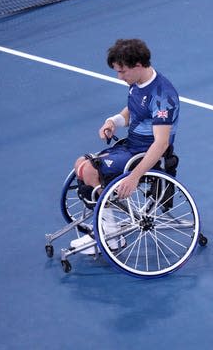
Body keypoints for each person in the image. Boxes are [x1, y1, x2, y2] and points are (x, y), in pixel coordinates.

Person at [71, 38, 180, 252]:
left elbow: (161, 143)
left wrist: (134, 176)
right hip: (130, 146)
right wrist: (113, 121)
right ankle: (105, 220)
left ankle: (109, 235)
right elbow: (131, 111)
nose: (119, 77)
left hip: (146, 154)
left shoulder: (162, 96)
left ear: (138, 65)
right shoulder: (137, 84)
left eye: (122, 72)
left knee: (91, 171)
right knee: (80, 164)